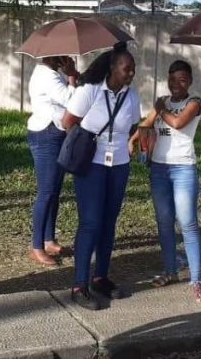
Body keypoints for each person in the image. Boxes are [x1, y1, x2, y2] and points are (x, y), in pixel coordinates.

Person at [62, 42, 141, 311]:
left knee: (109, 221)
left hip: (118, 164)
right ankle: (79, 284)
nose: (131, 73)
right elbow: (67, 121)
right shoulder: (90, 90)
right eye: (126, 68)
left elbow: (133, 126)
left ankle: (100, 277)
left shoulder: (132, 96)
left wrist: (129, 143)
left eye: (133, 69)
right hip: (92, 163)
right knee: (91, 222)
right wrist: (87, 140)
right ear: (112, 67)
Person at [128, 60, 201, 304]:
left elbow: (178, 122)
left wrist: (160, 108)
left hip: (183, 168)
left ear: (190, 81)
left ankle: (196, 281)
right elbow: (146, 125)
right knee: (164, 223)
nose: (176, 85)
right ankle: (170, 271)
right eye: (172, 80)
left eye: (182, 80)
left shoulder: (194, 102)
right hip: (159, 169)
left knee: (188, 223)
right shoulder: (162, 102)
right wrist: (132, 140)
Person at [26, 56, 79, 267]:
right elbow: (71, 101)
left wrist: (72, 76)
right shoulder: (47, 76)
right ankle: (36, 246)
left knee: (54, 190)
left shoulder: (50, 75)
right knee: (47, 191)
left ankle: (49, 240)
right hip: (46, 135)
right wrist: (72, 76)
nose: (64, 57)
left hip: (55, 132)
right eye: (61, 54)